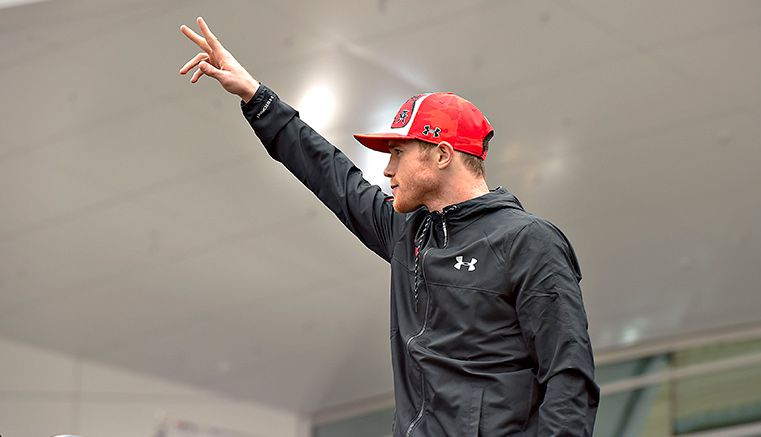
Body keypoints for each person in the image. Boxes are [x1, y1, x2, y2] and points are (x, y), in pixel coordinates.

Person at [179, 17, 600, 437]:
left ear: (441, 155)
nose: (387, 168)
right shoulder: (409, 233)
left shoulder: (528, 241)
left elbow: (569, 377)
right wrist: (257, 97)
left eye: (398, 152)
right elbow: (333, 176)